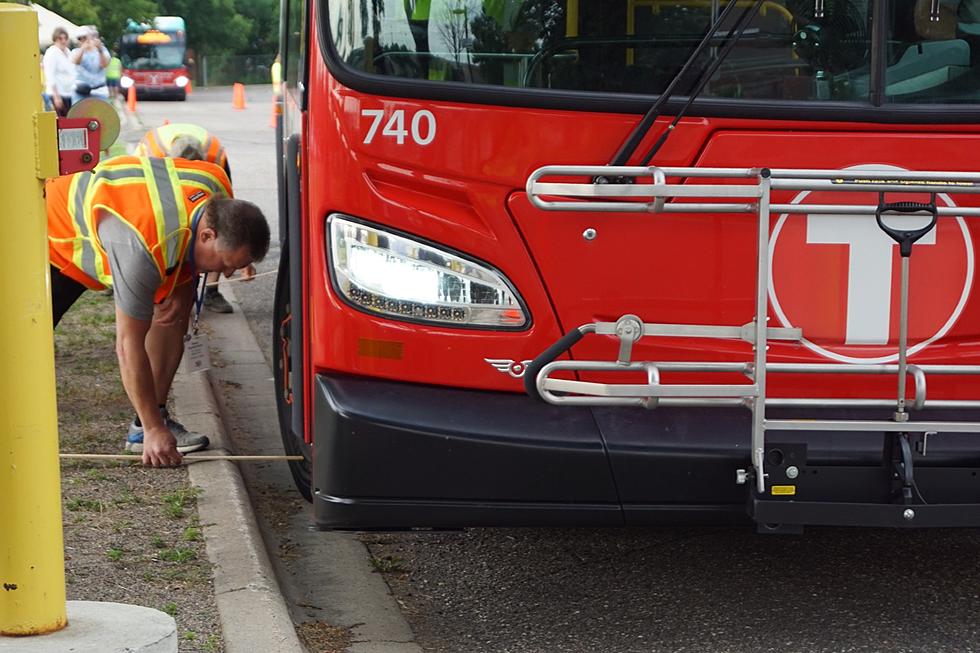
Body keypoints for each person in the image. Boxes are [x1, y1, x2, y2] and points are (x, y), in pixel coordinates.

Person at [46, 155, 270, 467]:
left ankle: (143, 425)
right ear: (207, 236)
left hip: (131, 226)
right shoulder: (142, 248)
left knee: (173, 314)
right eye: (226, 265)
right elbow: (128, 345)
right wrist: (156, 431)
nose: (227, 275)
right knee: (25, 338)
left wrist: (184, 285)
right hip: (57, 237)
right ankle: (148, 428)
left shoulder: (217, 186)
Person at [135, 123, 235, 313]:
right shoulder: (148, 154)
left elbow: (226, 209)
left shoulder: (215, 156)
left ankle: (211, 292)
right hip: (153, 182)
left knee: (219, 226)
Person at [70, 25, 110, 104]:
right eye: (80, 38)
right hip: (80, 91)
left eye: (84, 37)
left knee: (100, 115)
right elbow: (76, 61)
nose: (82, 40)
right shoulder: (76, 51)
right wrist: (82, 48)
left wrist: (100, 50)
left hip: (99, 91)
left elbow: (104, 65)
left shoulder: (102, 50)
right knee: (78, 115)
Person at [43, 26, 75, 117]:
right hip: (58, 93)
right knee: (63, 121)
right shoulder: (52, 53)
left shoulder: (68, 52)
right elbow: (50, 75)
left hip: (69, 92)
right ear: (55, 39)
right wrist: (56, 96)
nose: (63, 41)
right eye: (60, 38)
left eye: (65, 38)